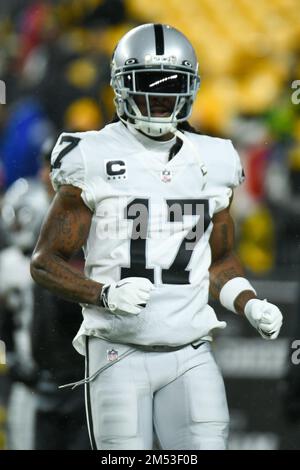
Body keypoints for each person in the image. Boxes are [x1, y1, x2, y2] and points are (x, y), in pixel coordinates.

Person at [30, 23, 283, 450]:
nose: (161, 96)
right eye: (147, 83)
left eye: (173, 84)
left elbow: (218, 262)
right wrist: (104, 294)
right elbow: (45, 262)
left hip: (191, 350)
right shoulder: (92, 156)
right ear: (121, 86)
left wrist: (249, 301)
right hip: (117, 351)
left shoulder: (215, 160)